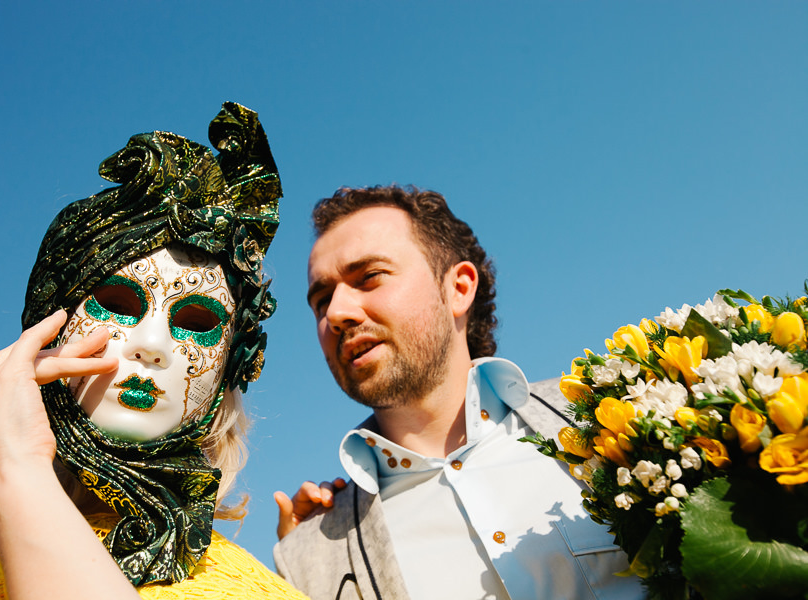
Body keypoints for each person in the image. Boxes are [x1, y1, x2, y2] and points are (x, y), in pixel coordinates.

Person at [0, 102, 307, 600]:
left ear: (231, 366)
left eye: (197, 323)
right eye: (118, 304)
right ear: (49, 324)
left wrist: (13, 471)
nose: (152, 345)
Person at [273, 186, 645, 599]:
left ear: (459, 288)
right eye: (322, 301)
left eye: (369, 277)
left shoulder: (611, 411)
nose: (338, 313)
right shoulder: (309, 558)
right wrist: (313, 560)